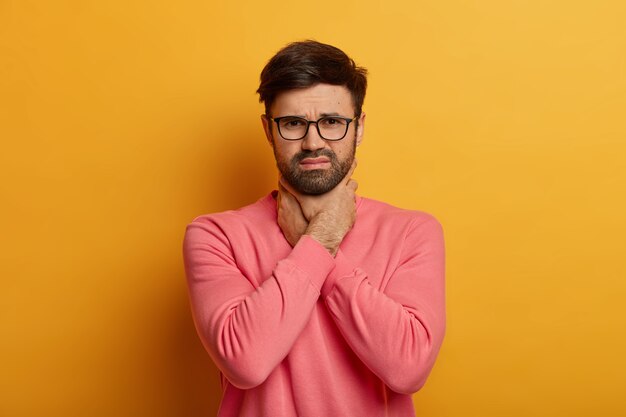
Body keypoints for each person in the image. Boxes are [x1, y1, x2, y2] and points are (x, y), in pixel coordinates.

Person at [182, 40, 446, 417]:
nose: (313, 142)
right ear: (268, 130)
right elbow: (246, 362)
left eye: (332, 122)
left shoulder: (412, 232)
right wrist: (322, 239)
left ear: (359, 128)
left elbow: (408, 369)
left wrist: (317, 243)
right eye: (293, 124)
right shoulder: (215, 236)